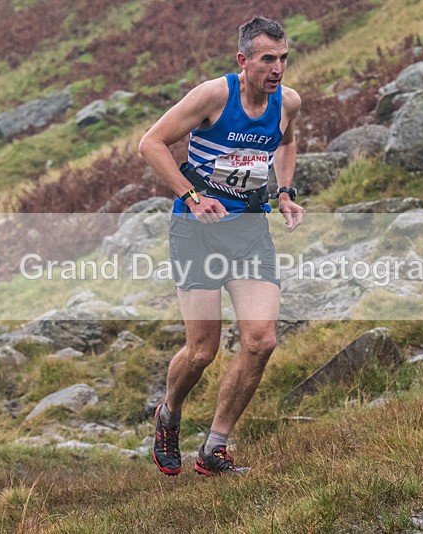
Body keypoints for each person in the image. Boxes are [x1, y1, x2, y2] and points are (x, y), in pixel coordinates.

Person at [138, 16, 304, 476]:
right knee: (201, 351)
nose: (277, 68)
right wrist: (191, 197)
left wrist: (285, 192)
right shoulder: (215, 96)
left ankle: (215, 448)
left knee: (261, 339)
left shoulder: (286, 102)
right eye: (267, 59)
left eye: (283, 58)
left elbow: (287, 141)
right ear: (243, 60)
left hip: (249, 228)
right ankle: (168, 413)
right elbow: (150, 144)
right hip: (197, 232)